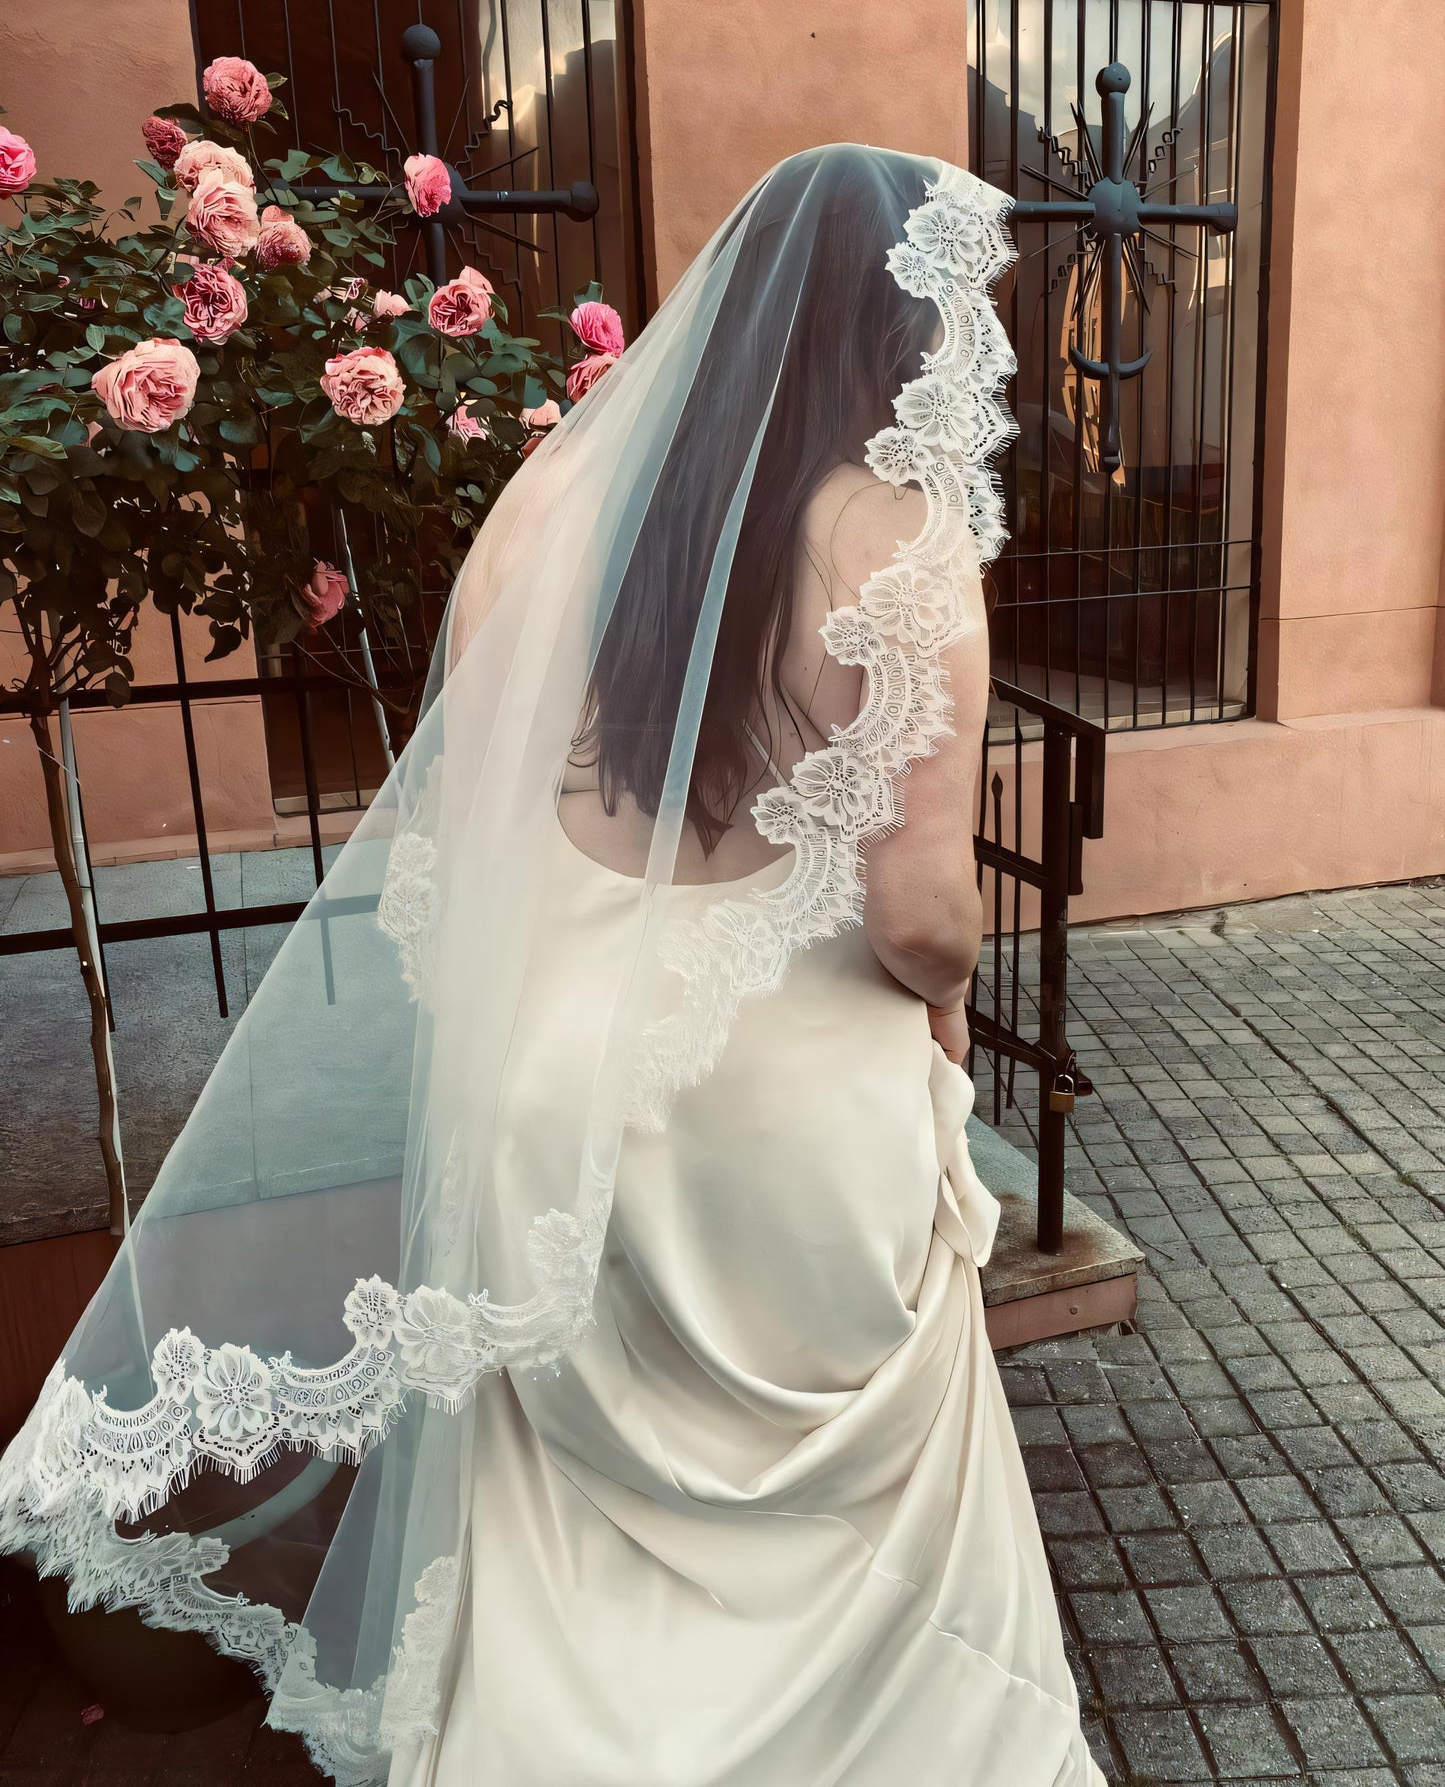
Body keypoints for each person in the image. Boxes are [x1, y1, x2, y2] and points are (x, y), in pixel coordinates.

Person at [0, 145, 1104, 1786]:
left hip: (548, 1069)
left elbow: (480, 803)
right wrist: (944, 1019)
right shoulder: (900, 539)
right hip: (771, 1105)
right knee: (823, 1503)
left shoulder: (566, 500)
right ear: (903, 331)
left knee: (564, 1495)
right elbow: (923, 914)